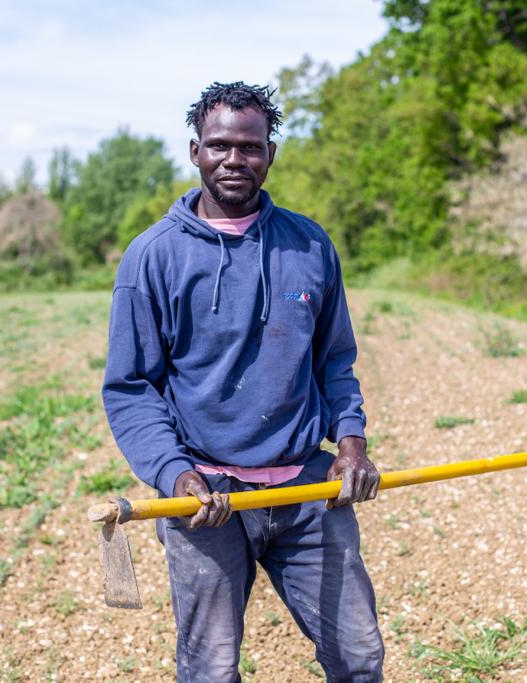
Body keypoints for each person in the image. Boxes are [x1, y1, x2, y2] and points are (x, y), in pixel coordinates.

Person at [102, 82, 385, 683]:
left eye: (250, 147)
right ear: (195, 151)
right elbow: (131, 388)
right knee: (210, 670)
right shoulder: (153, 258)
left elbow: (335, 360)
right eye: (220, 146)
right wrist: (176, 473)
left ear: (270, 154)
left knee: (359, 658)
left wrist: (352, 442)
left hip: (307, 491)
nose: (236, 160)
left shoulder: (309, 245)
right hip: (205, 499)